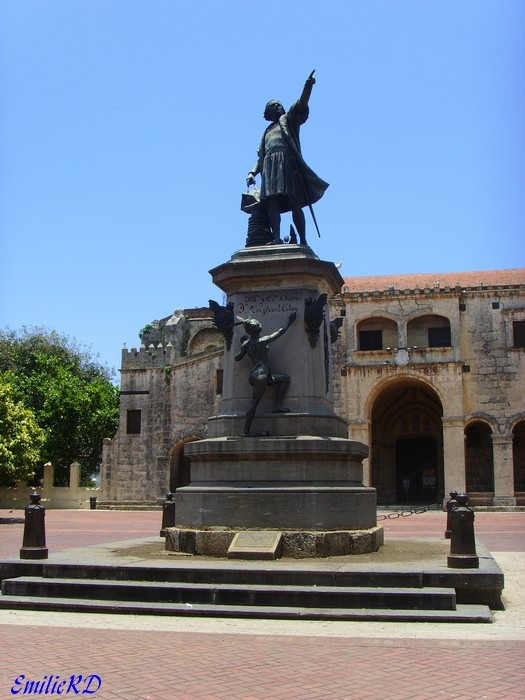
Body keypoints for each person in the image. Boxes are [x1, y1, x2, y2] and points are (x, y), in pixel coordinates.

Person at [246, 71, 329, 245]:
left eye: (279, 104)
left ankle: (303, 240)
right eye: (273, 106)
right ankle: (276, 238)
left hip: (287, 164)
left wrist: (308, 87)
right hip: (270, 166)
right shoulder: (267, 131)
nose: (278, 106)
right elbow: (261, 156)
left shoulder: (288, 121)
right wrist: (253, 172)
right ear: (268, 113)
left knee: (294, 201)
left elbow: (301, 105)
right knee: (272, 203)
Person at [234, 313, 296, 436]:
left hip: (258, 373)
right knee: (254, 402)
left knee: (284, 379)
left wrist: (243, 346)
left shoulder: (247, 344)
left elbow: (237, 358)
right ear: (257, 329)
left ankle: (277, 406)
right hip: (261, 373)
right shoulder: (263, 340)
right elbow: (280, 332)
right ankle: (246, 431)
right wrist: (290, 321)